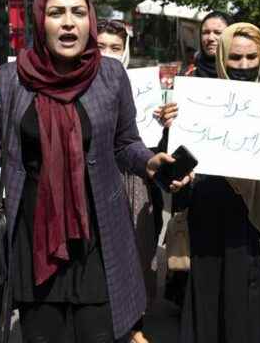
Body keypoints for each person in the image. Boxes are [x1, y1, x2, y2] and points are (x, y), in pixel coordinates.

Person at [0, 0, 190, 343]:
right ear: (40, 22)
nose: (68, 21)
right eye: (57, 13)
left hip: (97, 231)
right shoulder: (8, 80)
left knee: (99, 332)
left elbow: (125, 142)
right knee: (41, 335)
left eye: (78, 12)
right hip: (34, 232)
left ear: (90, 22)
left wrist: (149, 162)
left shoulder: (110, 76)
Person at [177, 23, 260, 343]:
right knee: (210, 298)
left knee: (249, 301)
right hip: (210, 211)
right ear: (223, 57)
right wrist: (172, 125)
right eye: (235, 57)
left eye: (252, 56)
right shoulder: (199, 99)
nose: (243, 65)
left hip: (252, 220)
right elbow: (179, 171)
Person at [161, 11, 231, 307]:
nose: (211, 37)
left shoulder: (244, 76)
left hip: (228, 175)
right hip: (193, 174)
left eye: (218, 32)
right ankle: (188, 305)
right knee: (191, 240)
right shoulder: (187, 76)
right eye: (206, 32)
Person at [97, 18, 159, 343]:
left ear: (126, 52)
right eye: (100, 46)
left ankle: (135, 323)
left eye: (115, 48)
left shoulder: (139, 84)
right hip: (96, 175)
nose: (107, 54)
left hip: (132, 178)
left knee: (136, 246)